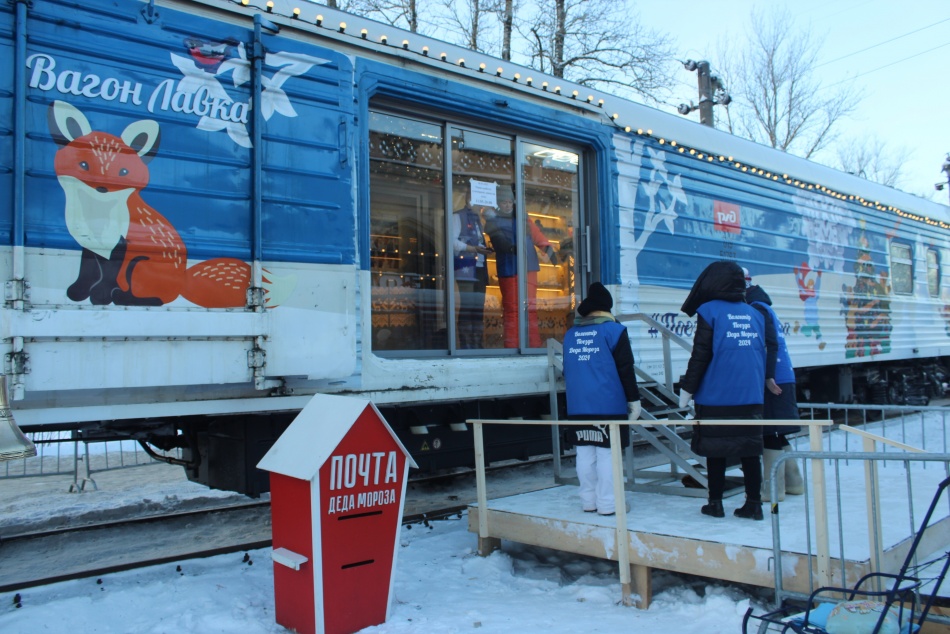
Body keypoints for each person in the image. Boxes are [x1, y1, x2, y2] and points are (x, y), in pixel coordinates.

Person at [678, 261, 770, 521]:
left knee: (715, 452)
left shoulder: (708, 311)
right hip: (750, 394)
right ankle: (754, 504)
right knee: (751, 452)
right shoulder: (755, 314)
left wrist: (687, 389)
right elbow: (763, 352)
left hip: (716, 395)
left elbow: (700, 356)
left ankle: (715, 503)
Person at [563, 282, 641, 516]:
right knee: (608, 455)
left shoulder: (570, 335)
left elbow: (567, 370)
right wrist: (634, 400)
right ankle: (608, 504)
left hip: (578, 405)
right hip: (608, 403)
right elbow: (626, 369)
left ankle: (588, 501)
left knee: (585, 454)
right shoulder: (614, 331)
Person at [745, 277, 805, 502]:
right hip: (783, 375)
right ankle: (794, 482)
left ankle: (773, 490)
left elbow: (769, 344)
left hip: (773, 377)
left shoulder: (756, 308)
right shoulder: (765, 307)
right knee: (777, 431)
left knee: (768, 431)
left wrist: (768, 376)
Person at [483, 186, 557, 348]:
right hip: (509, 267)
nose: (508, 205)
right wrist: (510, 248)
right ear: (498, 204)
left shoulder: (523, 218)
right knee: (512, 309)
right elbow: (498, 240)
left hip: (527, 267)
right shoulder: (492, 222)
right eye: (504, 202)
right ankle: (512, 345)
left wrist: (550, 251)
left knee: (530, 309)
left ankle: (533, 344)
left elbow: (538, 236)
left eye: (510, 202)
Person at [452, 191, 493, 349]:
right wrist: (472, 248)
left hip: (480, 266)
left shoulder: (478, 219)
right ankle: (466, 346)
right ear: (470, 199)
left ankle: (477, 345)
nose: (482, 206)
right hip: (466, 266)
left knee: (478, 306)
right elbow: (453, 242)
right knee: (468, 304)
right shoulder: (458, 216)